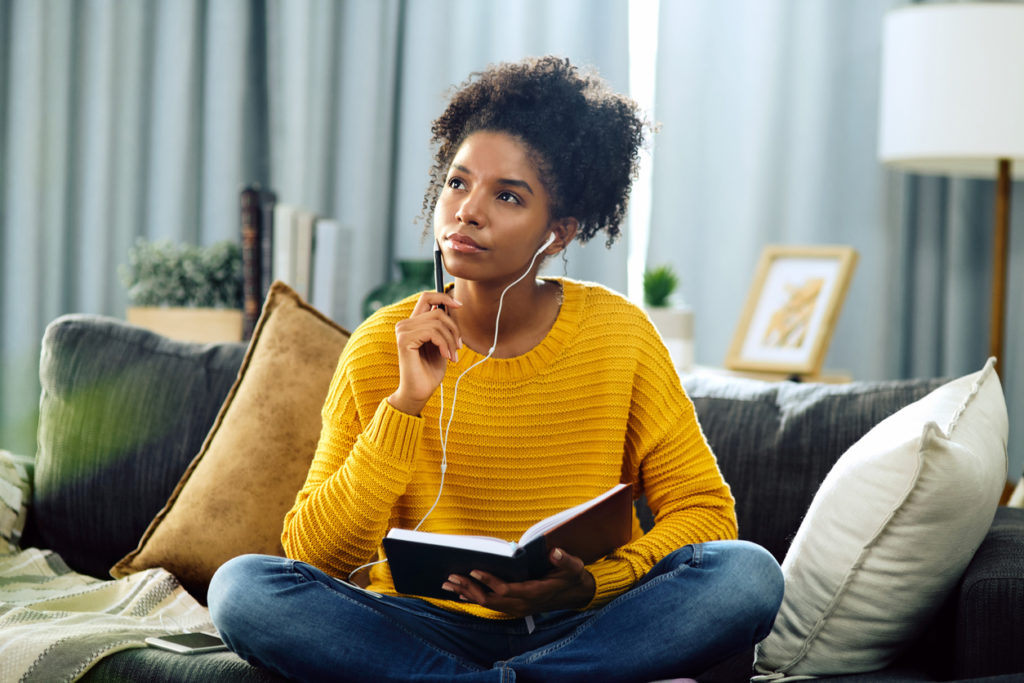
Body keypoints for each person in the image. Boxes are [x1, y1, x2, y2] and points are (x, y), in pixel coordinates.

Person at [208, 55, 783, 682]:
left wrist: (588, 585)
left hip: (583, 623)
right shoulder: (382, 345)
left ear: (557, 234)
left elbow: (705, 513)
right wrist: (404, 405)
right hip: (424, 625)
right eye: (458, 183)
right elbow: (313, 555)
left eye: (507, 195)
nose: (467, 211)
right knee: (243, 588)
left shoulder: (620, 335)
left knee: (747, 573)